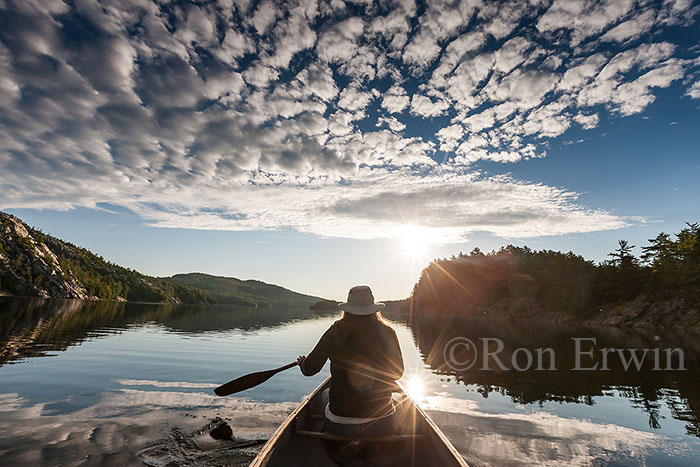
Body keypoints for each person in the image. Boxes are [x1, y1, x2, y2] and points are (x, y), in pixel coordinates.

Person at [297, 285, 404, 436]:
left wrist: (302, 363)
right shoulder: (388, 331)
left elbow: (309, 370)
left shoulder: (335, 330)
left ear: (348, 309)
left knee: (325, 393)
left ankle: (352, 441)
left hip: (339, 425)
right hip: (380, 425)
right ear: (373, 309)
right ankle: (365, 443)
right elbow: (397, 374)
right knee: (400, 398)